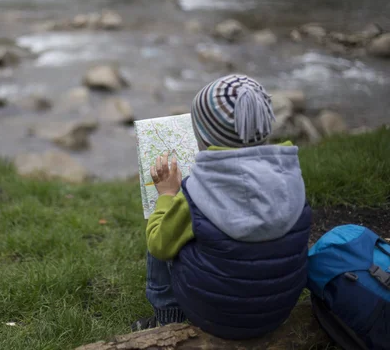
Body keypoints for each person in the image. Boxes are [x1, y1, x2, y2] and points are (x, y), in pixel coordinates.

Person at [133, 74, 311, 340]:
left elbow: (158, 246)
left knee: (160, 227)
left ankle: (166, 319)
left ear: (203, 136)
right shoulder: (290, 175)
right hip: (277, 310)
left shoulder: (195, 193)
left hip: (218, 316)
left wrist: (168, 194)